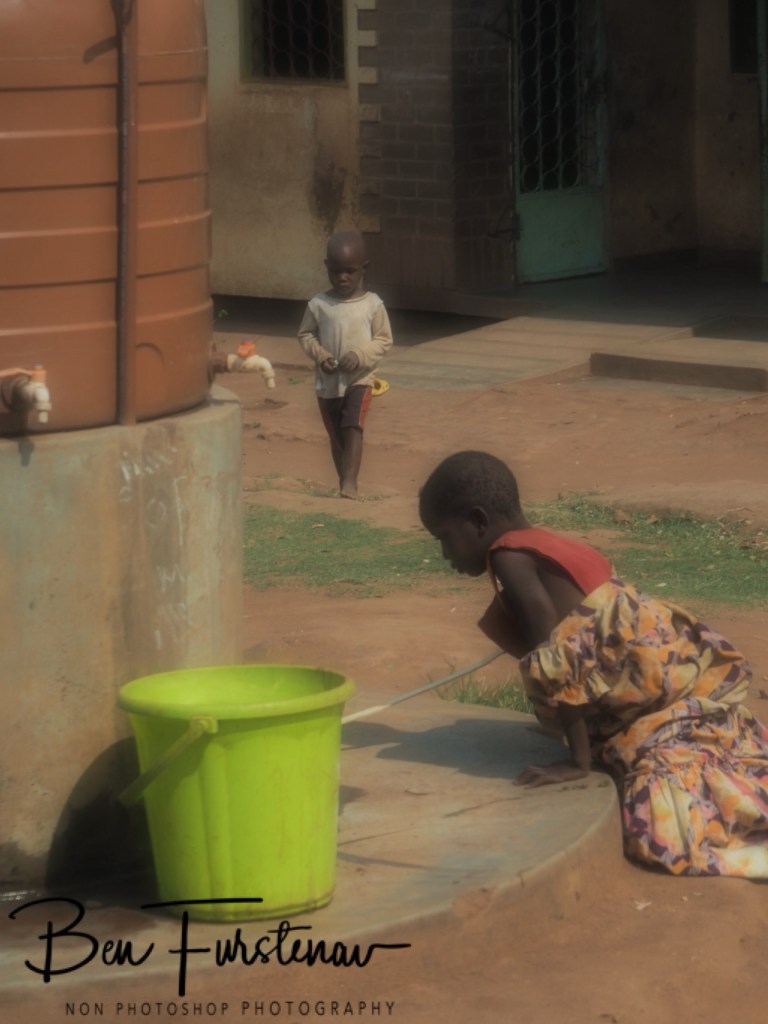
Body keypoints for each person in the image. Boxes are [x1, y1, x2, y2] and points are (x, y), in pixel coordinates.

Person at [418, 450, 768, 877]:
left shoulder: (510, 559)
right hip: (680, 687)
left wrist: (577, 762)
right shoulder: (548, 544)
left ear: (478, 521)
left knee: (658, 833)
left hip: (655, 707)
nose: (443, 554)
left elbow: (559, 665)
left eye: (444, 538)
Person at [298, 231, 393, 498]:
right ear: (326, 267)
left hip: (359, 380)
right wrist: (321, 355)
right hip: (328, 384)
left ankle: (349, 484)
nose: (343, 278)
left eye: (350, 271)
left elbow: (384, 340)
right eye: (336, 271)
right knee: (336, 434)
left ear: (364, 269)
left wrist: (361, 356)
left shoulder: (372, 305)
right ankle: (344, 482)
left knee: (353, 426)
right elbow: (305, 334)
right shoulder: (319, 304)